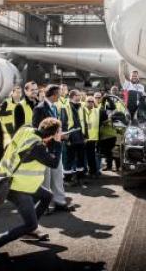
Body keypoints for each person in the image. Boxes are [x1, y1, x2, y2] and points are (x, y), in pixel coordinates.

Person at [0, 118, 64, 261]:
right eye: (58, 132)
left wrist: (51, 139)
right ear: (52, 135)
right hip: (18, 188)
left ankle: (30, 232)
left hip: (12, 179)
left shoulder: (26, 130)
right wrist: (58, 143)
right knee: (30, 223)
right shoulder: (37, 147)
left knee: (47, 196)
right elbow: (53, 163)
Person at [33, 85, 74, 213]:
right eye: (59, 93)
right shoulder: (39, 108)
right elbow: (37, 130)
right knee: (46, 178)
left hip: (56, 146)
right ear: (53, 95)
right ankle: (44, 206)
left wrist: (60, 135)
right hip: (46, 148)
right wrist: (51, 138)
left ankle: (60, 202)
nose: (61, 96)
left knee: (57, 176)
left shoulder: (54, 107)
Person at [79, 94, 110, 178]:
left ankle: (93, 172)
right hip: (82, 138)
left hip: (92, 139)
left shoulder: (97, 111)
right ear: (85, 102)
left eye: (92, 101)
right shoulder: (81, 110)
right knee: (81, 157)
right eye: (88, 101)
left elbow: (106, 118)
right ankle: (82, 172)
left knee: (91, 157)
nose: (90, 103)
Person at [63, 90, 86, 185]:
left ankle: (79, 178)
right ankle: (67, 180)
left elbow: (84, 122)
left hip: (80, 137)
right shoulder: (66, 107)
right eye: (78, 95)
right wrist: (66, 138)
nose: (79, 96)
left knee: (80, 159)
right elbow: (64, 123)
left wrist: (86, 136)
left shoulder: (81, 107)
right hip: (71, 138)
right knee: (69, 159)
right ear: (73, 96)